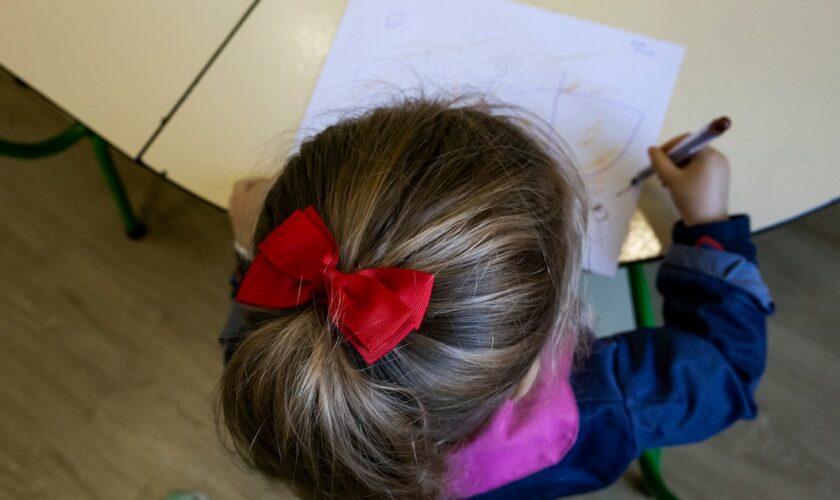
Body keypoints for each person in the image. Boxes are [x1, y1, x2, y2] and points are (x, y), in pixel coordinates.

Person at [216, 98, 774, 499]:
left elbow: (274, 325)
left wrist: (252, 252)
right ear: (535, 367)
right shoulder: (607, 403)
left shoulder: (285, 404)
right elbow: (727, 365)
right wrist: (710, 224)